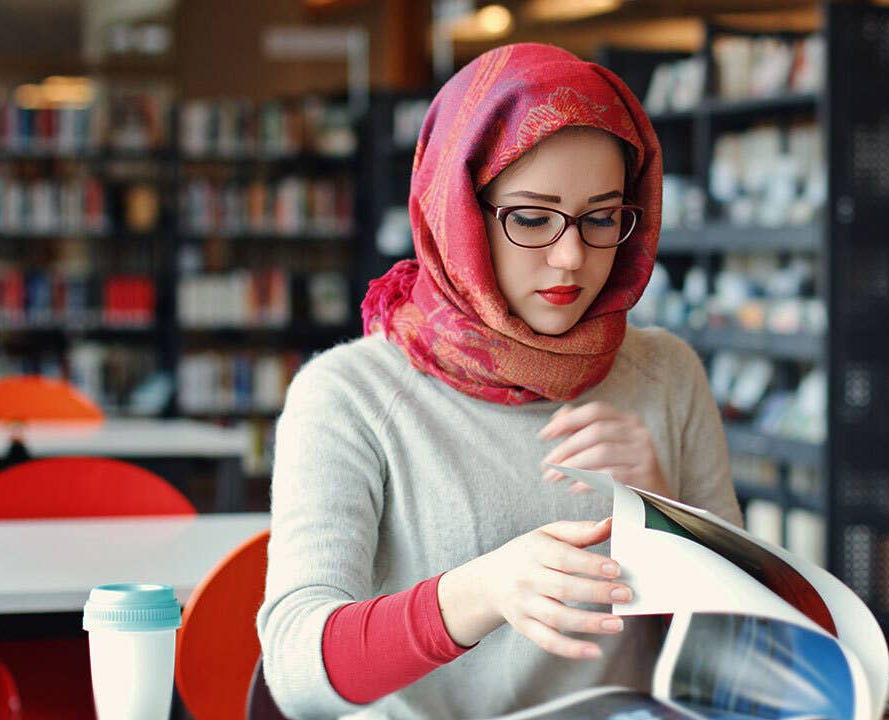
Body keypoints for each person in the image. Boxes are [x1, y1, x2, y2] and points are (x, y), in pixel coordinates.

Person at [257, 43, 741, 719]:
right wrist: (481, 592)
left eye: (602, 218)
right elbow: (296, 671)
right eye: (532, 218)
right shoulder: (348, 395)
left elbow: (747, 660)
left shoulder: (666, 373)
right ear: (457, 211)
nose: (571, 256)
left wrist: (664, 521)